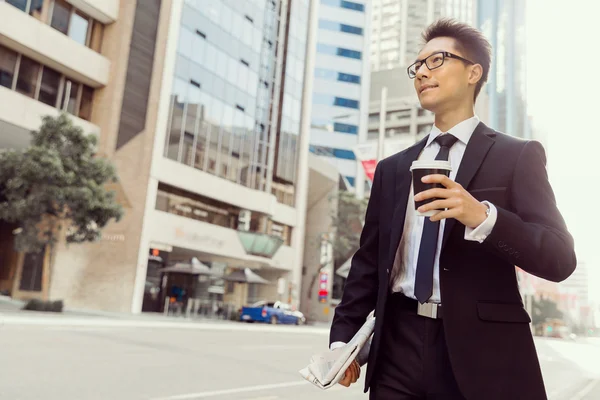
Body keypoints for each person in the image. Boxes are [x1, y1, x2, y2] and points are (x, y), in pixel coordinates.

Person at [329, 18, 576, 400]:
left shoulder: (517, 156)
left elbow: (559, 258)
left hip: (483, 355)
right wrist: (342, 343)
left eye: (437, 60)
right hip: (397, 348)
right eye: (417, 66)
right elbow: (367, 265)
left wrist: (483, 217)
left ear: (473, 72)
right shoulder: (394, 168)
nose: (422, 73)